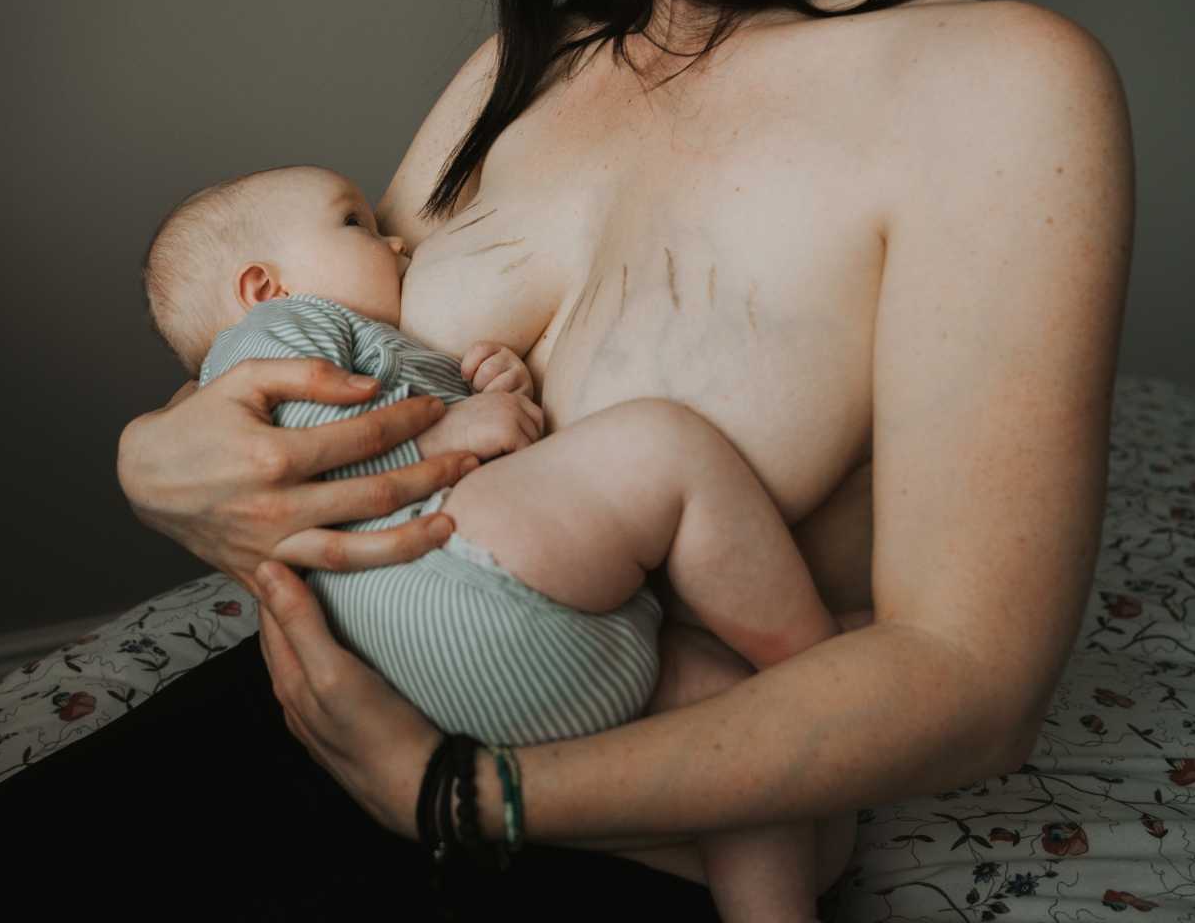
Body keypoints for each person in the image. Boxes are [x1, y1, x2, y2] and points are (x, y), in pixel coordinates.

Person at [0, 0, 1132, 918]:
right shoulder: (527, 64)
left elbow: (971, 684)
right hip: (308, 717)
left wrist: (459, 791)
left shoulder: (996, 88)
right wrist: (159, 451)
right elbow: (315, 362)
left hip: (619, 812)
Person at [144, 161, 848, 918]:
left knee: (752, 749)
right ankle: (826, 667)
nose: (397, 241)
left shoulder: (372, 347)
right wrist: (451, 429)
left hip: (460, 683)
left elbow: (476, 441)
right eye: (355, 222)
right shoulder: (271, 336)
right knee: (663, 445)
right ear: (262, 286)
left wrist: (492, 390)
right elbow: (311, 458)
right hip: (449, 581)